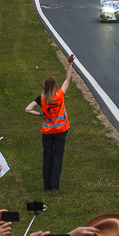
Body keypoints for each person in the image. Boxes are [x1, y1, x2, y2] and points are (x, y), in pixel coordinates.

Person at [25, 55, 74, 191]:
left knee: (47, 157)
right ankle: (54, 185)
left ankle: (46, 185)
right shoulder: (59, 95)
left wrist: (40, 114)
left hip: (47, 131)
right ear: (55, 86)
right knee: (58, 157)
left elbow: (27, 109)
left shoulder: (41, 98)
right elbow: (68, 79)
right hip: (61, 130)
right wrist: (69, 63)